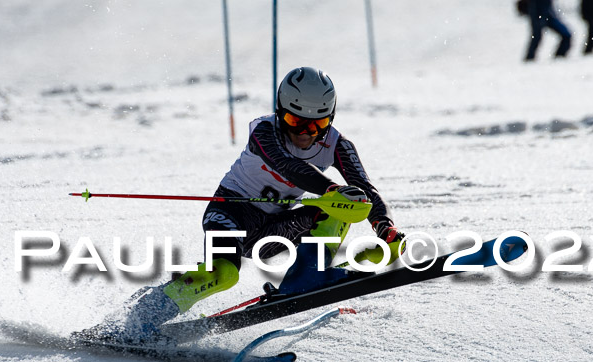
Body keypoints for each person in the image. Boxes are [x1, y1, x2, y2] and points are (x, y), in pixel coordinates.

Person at [79, 66, 404, 343]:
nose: (305, 134)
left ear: (330, 119)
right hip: (229, 213)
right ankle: (139, 320)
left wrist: (384, 226)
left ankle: (305, 278)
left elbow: (365, 189)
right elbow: (288, 166)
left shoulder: (338, 146)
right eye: (295, 121)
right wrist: (330, 188)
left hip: (274, 230)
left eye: (317, 125)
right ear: (280, 112)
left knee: (345, 203)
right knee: (223, 274)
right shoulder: (265, 131)